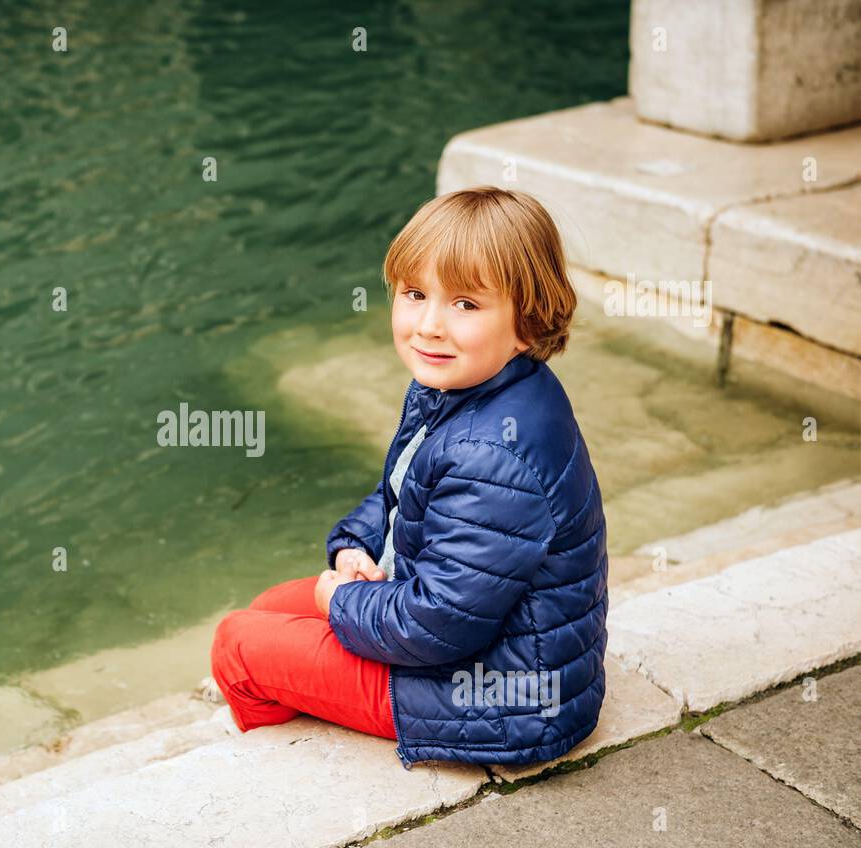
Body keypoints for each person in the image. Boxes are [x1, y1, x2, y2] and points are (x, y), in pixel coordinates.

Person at [210, 186, 609, 769]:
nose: (429, 326)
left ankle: (281, 760)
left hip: (499, 699)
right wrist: (355, 548)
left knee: (236, 647)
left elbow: (437, 625)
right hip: (477, 645)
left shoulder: (491, 453)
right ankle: (308, 692)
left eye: (465, 305)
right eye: (416, 294)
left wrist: (345, 602)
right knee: (272, 605)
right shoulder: (467, 384)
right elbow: (400, 494)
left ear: (528, 323)